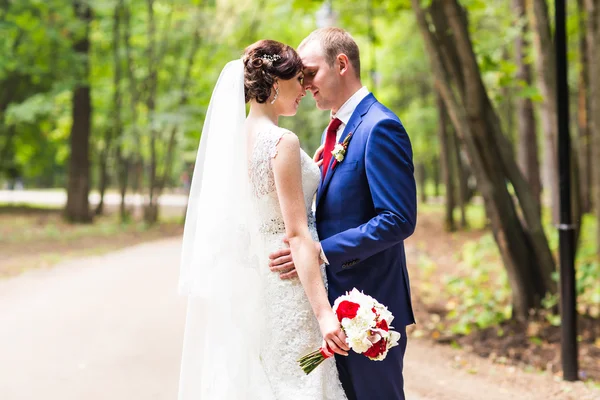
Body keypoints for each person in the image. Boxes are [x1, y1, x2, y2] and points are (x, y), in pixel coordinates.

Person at [177, 39, 349, 399]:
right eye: (297, 79)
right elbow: (298, 234)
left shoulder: (236, 140)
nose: (304, 89)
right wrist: (324, 315)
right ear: (274, 84)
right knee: (300, 380)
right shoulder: (281, 141)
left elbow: (255, 206)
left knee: (266, 377)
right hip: (291, 280)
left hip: (257, 278)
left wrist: (309, 169)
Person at [269, 28, 417, 400]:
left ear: (341, 64)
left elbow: (398, 218)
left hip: (370, 302)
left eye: (310, 73)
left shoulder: (379, 126)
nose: (304, 84)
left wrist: (321, 250)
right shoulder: (338, 131)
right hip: (334, 302)